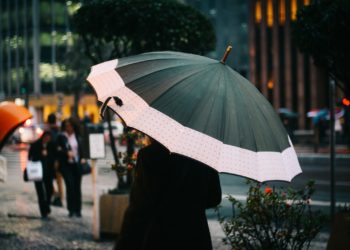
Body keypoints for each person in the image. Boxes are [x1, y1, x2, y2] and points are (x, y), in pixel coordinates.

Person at [115, 139, 222, 250]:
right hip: (195, 235)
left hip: (160, 236)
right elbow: (214, 197)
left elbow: (139, 207)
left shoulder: (149, 155)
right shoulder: (205, 157)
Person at [56, 117, 86, 217]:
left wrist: (83, 158)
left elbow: (82, 149)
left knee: (77, 187)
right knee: (70, 186)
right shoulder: (61, 136)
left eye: (70, 126)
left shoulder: (77, 136)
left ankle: (78, 210)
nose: (68, 127)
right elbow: (57, 149)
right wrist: (66, 153)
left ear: (74, 126)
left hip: (77, 164)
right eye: (66, 126)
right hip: (66, 165)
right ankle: (71, 210)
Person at [28, 130, 56, 219]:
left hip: (48, 172)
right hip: (38, 172)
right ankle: (43, 212)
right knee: (40, 193)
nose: (47, 139)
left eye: (49, 137)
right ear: (43, 137)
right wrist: (41, 155)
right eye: (46, 137)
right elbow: (30, 157)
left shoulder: (51, 145)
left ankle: (46, 206)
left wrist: (48, 155)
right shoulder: (35, 144)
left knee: (49, 190)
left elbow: (54, 156)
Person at [46, 113, 64, 207]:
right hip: (59, 159)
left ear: (48, 121)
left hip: (51, 159)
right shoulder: (59, 131)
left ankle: (56, 195)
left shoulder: (49, 132)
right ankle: (60, 198)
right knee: (59, 180)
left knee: (48, 179)